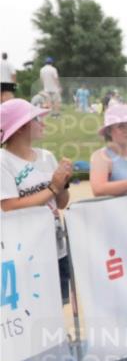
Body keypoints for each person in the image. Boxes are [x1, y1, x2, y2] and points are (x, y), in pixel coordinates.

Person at [1, 99, 73, 301]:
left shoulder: (46, 156)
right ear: (21, 127)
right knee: (32, 305)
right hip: (25, 251)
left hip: (56, 247)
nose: (43, 124)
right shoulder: (3, 161)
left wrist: (63, 183)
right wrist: (53, 187)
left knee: (58, 304)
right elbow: (9, 206)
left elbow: (61, 203)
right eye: (37, 119)